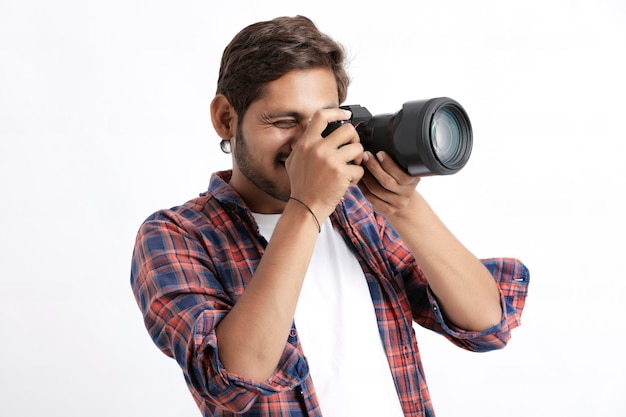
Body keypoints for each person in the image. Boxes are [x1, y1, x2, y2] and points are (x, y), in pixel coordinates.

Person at [130, 15, 529, 417]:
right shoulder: (176, 235)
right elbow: (233, 378)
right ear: (225, 119)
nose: (308, 145)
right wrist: (307, 206)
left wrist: (403, 205)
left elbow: (487, 323)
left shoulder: (357, 211)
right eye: (285, 121)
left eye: (324, 121)